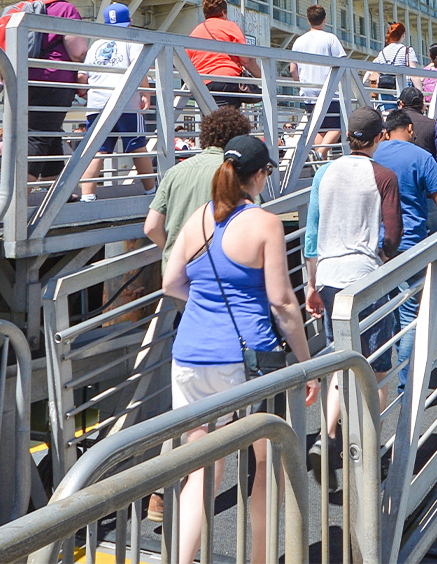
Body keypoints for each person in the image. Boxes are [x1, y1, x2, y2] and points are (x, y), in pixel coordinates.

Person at [162, 136, 316, 564]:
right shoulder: (265, 222)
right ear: (262, 174)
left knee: (202, 472)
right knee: (264, 466)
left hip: (190, 355)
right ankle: (261, 558)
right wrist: (307, 365)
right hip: (246, 362)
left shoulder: (198, 219)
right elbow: (283, 303)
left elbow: (171, 283)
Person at [304, 108, 403, 463]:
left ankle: (327, 435)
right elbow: (392, 234)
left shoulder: (324, 173)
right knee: (375, 364)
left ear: (348, 136)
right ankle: (369, 445)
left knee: (341, 357)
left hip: (329, 276)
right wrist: (385, 257)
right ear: (381, 137)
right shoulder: (384, 176)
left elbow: (311, 234)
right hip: (365, 275)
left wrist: (310, 285)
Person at [376, 108, 437, 391]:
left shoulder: (373, 155)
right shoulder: (422, 157)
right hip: (411, 243)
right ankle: (407, 384)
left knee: (390, 312)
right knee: (411, 316)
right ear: (410, 130)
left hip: (378, 246)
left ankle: (388, 375)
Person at [145, 106, 252, 264]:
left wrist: (174, 253)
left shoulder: (174, 172)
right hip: (217, 270)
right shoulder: (238, 171)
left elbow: (151, 227)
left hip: (175, 271)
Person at [79, 2, 156, 201]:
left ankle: (87, 196)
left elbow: (82, 76)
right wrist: (146, 94)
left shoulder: (95, 45)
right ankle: (151, 190)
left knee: (97, 149)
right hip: (126, 102)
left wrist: (84, 92)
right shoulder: (131, 40)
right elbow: (139, 68)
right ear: (129, 22)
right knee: (137, 145)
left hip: (97, 103)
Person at [24, 0, 91, 181]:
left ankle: (56, 194)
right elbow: (78, 51)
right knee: (39, 138)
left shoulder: (31, 6)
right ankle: (18, 201)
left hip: (28, 79)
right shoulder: (66, 10)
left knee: (51, 134)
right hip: (56, 81)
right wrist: (84, 73)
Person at [287, 5, 347, 155]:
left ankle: (320, 160)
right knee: (337, 126)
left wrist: (301, 85)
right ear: (324, 19)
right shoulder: (330, 38)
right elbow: (343, 64)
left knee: (318, 129)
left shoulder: (299, 41)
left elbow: (293, 69)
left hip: (308, 93)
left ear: (308, 20)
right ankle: (321, 152)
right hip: (328, 91)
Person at [187, 0, 261, 108]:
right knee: (229, 123)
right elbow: (247, 60)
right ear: (223, 12)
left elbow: (187, 63)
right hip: (227, 80)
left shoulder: (195, 32)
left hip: (202, 85)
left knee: (210, 122)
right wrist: (264, 79)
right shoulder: (230, 27)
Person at [396, 85, 437, 181]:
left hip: (395, 185)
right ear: (422, 106)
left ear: (401, 104)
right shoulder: (434, 125)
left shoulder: (390, 125)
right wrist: (436, 183)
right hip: (424, 186)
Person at [370, 22, 418, 103]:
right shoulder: (408, 50)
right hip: (404, 87)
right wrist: (420, 94)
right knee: (405, 114)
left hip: (385, 87)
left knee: (387, 114)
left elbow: (377, 74)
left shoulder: (382, 52)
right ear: (403, 35)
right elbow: (414, 75)